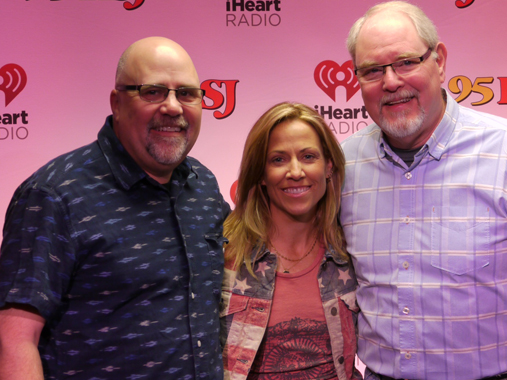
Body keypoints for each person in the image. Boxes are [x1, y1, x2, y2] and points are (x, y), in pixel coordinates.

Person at [340, 2, 507, 380]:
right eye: (372, 71)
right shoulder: (345, 165)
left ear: (440, 60)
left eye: (405, 62)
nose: (391, 82)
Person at [0, 36, 229, 380]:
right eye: (153, 91)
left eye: (186, 93)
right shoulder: (52, 195)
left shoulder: (204, 186)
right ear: (117, 103)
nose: (173, 107)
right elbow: (14, 340)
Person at [220, 102, 361, 380]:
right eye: (278, 159)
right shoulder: (224, 252)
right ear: (261, 173)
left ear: (329, 166)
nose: (295, 171)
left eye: (308, 156)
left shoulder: (351, 251)